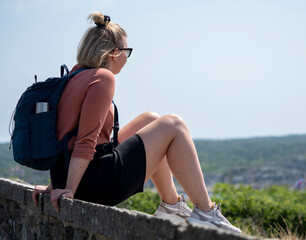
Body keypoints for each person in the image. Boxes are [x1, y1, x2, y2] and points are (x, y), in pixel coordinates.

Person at [31, 12, 242, 235]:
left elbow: (65, 139)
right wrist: (70, 189)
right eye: (126, 51)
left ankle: (171, 206)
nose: (127, 57)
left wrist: (57, 183)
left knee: (150, 120)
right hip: (96, 183)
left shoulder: (73, 77)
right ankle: (206, 213)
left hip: (76, 174)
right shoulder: (102, 78)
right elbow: (85, 140)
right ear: (114, 52)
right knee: (174, 124)